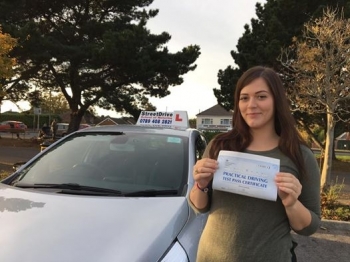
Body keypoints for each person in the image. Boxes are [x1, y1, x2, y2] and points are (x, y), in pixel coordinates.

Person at [189, 66, 320, 262]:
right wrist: (201, 184)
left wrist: (291, 203)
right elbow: (199, 207)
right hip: (210, 256)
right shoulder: (220, 146)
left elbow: (309, 227)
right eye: (244, 98)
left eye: (261, 96)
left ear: (277, 101)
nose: (251, 105)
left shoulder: (299, 155)